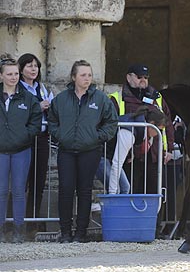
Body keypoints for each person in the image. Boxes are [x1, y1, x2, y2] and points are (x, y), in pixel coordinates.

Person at [48, 60, 118, 243]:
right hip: (67, 150)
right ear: (73, 77)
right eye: (83, 75)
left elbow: (111, 122)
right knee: (65, 189)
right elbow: (52, 121)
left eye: (89, 75)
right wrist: (60, 135)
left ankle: (81, 232)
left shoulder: (101, 99)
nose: (87, 78)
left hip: (90, 150)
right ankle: (65, 232)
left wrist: (97, 136)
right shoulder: (61, 99)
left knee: (85, 190)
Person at [109, 64, 174, 195]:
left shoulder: (156, 97)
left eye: (146, 77)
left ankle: (153, 216)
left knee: (155, 193)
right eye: (139, 77)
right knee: (130, 191)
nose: (143, 80)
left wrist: (170, 149)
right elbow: (109, 125)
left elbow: (167, 123)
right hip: (130, 157)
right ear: (129, 77)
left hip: (155, 155)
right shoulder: (117, 98)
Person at [0, 55, 42, 243]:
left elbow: (35, 121)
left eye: (16, 73)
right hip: (1, 150)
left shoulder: (28, 98)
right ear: (1, 76)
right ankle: (1, 229)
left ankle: (19, 229)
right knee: (1, 190)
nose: (13, 77)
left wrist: (25, 136)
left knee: (18, 190)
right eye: (9, 74)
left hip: (21, 149)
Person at [17, 53, 53, 234]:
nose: (33, 69)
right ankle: (14, 223)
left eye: (36, 66)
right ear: (21, 69)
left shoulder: (42, 88)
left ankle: (33, 222)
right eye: (29, 66)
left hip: (42, 138)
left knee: (38, 183)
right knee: (19, 183)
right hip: (24, 140)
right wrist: (37, 108)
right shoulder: (17, 89)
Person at [96, 106, 167, 194]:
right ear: (152, 124)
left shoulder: (135, 125)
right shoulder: (129, 131)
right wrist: (112, 193)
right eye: (159, 130)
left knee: (125, 187)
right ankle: (113, 204)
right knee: (117, 189)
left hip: (108, 155)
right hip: (99, 155)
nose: (158, 133)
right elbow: (117, 163)